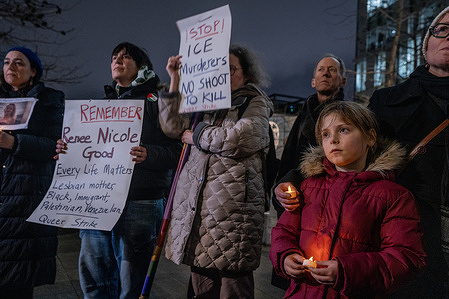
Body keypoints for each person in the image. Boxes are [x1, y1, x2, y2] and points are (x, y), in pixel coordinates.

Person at [57, 42, 182, 299]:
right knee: (95, 273)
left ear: (141, 67)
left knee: (131, 277)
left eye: (126, 57)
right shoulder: (99, 107)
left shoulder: (156, 102)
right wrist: (66, 149)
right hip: (96, 200)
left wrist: (150, 154)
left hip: (139, 201)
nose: (117, 61)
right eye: (114, 57)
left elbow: (177, 150)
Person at [270, 101, 426, 298]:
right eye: (325, 134)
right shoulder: (309, 186)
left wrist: (347, 271)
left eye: (343, 130)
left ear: (370, 137)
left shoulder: (394, 197)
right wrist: (285, 256)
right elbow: (284, 231)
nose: (333, 139)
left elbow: (406, 257)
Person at [158, 45, 273, 298]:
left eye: (231, 69)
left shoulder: (254, 101)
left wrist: (196, 134)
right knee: (202, 285)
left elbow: (240, 138)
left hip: (232, 213)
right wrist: (175, 77)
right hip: (199, 210)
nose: (225, 74)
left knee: (233, 285)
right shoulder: (205, 102)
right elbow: (172, 126)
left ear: (247, 74)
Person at [368, 6, 449, 298]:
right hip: (406, 244)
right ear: (426, 43)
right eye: (442, 29)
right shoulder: (387, 102)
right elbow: (349, 165)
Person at [0, 46, 64, 298]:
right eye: (6, 62)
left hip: (26, 196)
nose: (10, 67)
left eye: (18, 63)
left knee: (17, 278)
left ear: (33, 71)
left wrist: (15, 143)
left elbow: (56, 146)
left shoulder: (50, 102)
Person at [273, 54, 347, 217]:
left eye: (332, 70)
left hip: (327, 202)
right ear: (313, 81)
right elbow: (288, 158)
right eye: (321, 69)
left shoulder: (347, 117)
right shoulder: (303, 117)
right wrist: (280, 188)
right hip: (294, 199)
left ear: (343, 81)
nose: (325, 73)